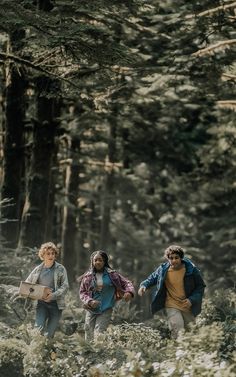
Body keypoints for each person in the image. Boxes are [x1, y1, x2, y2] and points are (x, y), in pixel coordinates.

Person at [138, 245, 206, 338]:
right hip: (171, 304)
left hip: (187, 305)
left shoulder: (191, 269)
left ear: (181, 258)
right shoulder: (163, 270)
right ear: (168, 259)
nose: (174, 260)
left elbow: (200, 286)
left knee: (192, 333)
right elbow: (152, 278)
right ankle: (177, 351)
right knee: (177, 329)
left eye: (176, 258)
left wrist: (191, 300)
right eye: (171, 258)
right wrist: (143, 285)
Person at [79, 250, 135, 341]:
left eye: (100, 260)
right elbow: (82, 292)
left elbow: (127, 283)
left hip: (106, 308)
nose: (97, 262)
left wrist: (129, 292)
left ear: (104, 262)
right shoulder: (87, 277)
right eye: (95, 260)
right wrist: (89, 301)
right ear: (92, 262)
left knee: (99, 333)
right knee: (88, 334)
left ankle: (99, 353)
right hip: (91, 309)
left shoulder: (113, 274)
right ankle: (88, 354)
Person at [26, 242, 69, 338]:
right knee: (38, 329)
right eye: (48, 253)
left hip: (56, 305)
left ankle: (47, 351)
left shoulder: (61, 269)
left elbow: (65, 287)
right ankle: (35, 351)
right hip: (41, 304)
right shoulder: (38, 269)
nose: (51, 256)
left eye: (53, 253)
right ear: (43, 255)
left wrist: (53, 295)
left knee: (49, 334)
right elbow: (27, 284)